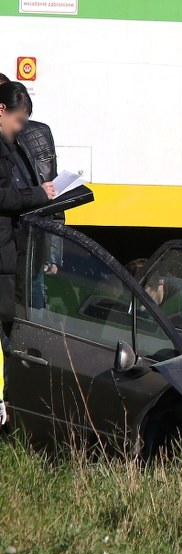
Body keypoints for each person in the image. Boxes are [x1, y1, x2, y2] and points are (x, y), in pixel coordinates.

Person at [0, 81, 54, 424]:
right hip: (4, 255)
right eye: (19, 120)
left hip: (11, 252)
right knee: (9, 335)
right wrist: (37, 195)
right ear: (1, 110)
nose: (21, 128)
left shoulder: (13, 143)